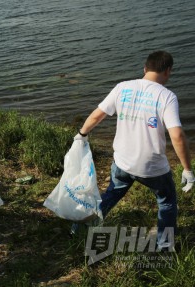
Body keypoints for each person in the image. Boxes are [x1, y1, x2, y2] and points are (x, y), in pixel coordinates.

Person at [73, 50, 194, 250]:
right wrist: (187, 170)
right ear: (168, 71)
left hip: (122, 162)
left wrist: (82, 134)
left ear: (145, 69)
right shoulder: (167, 96)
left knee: (113, 192)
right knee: (167, 202)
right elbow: (178, 136)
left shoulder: (123, 87)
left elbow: (97, 115)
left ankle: (84, 224)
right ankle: (165, 246)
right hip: (153, 168)